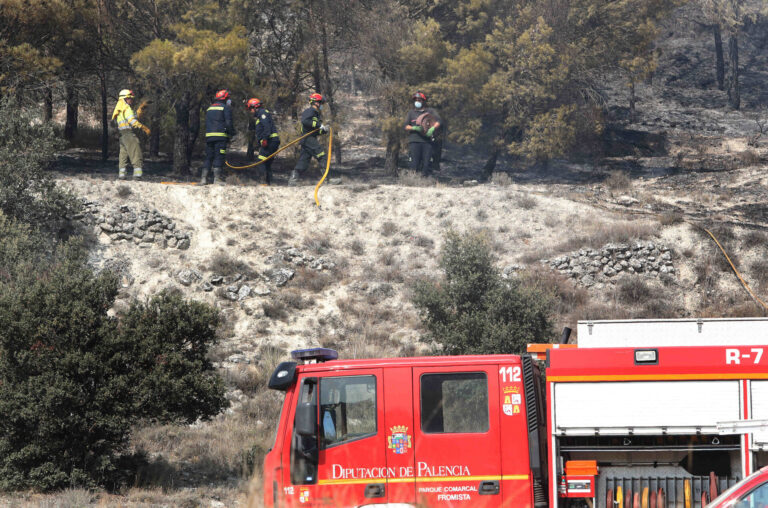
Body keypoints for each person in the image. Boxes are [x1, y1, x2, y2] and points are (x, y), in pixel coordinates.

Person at [290, 93, 329, 183]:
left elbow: (314, 129)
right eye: (320, 103)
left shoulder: (316, 114)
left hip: (308, 138)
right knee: (321, 155)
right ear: (316, 103)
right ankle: (328, 178)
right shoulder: (310, 111)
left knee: (304, 161)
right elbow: (305, 121)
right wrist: (320, 125)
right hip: (308, 138)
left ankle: (293, 180)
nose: (321, 105)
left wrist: (323, 130)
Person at [112, 89, 150, 180]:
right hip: (128, 134)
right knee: (136, 153)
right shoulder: (126, 108)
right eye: (129, 98)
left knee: (123, 155)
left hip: (122, 135)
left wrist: (141, 109)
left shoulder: (120, 108)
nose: (131, 100)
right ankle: (137, 175)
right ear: (124, 99)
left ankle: (122, 175)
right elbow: (132, 121)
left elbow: (133, 116)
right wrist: (143, 127)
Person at [201, 89, 236, 185]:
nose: (230, 100)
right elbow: (228, 123)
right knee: (219, 156)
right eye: (229, 98)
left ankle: (203, 179)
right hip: (220, 137)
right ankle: (217, 179)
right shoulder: (225, 108)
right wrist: (232, 133)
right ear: (225, 98)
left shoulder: (209, 108)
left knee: (208, 157)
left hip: (209, 137)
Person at [403, 91, 441, 176]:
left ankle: (425, 182)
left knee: (426, 163)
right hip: (414, 141)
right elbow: (405, 126)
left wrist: (432, 128)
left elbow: (439, 121)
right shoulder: (411, 113)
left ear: (423, 101)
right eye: (416, 100)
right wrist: (414, 128)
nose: (417, 101)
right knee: (414, 163)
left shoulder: (430, 111)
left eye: (419, 100)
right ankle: (413, 180)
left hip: (427, 141)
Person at [246, 98, 280, 185]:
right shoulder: (260, 115)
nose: (250, 111)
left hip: (270, 141)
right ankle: (268, 182)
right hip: (272, 141)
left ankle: (263, 182)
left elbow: (267, 128)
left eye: (250, 109)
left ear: (254, 107)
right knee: (267, 163)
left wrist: (264, 139)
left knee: (260, 162)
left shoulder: (262, 113)